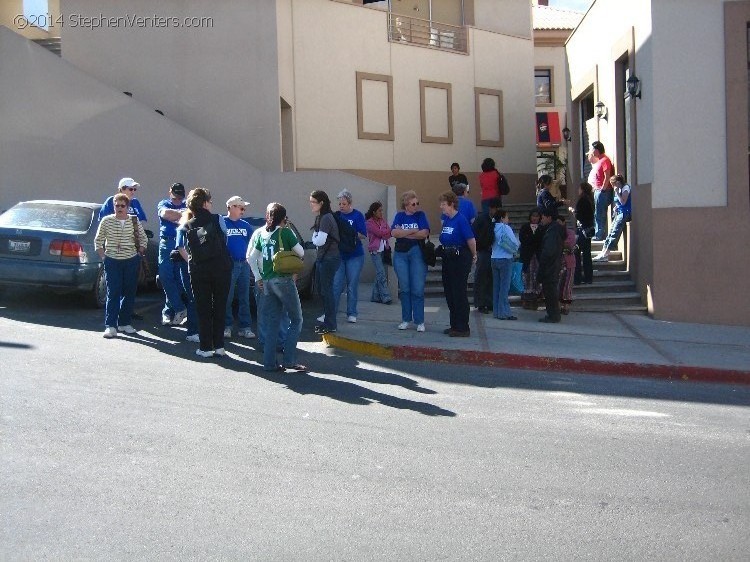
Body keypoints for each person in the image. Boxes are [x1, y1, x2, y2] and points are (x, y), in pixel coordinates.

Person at [248, 203, 306, 373]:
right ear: (284, 218)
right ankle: (289, 360)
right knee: (296, 320)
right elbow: (301, 252)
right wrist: (289, 230)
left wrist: (258, 277)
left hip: (266, 282)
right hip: (283, 280)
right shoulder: (286, 232)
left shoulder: (261, 234)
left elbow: (251, 258)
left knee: (272, 322)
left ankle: (269, 363)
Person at [181, 187, 232, 358]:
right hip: (221, 267)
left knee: (203, 308)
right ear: (204, 203)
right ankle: (219, 346)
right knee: (220, 306)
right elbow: (225, 238)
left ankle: (205, 347)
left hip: (199, 269)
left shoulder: (188, 224)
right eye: (209, 201)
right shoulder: (218, 219)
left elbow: (187, 247)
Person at [94, 192, 148, 338]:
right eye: (116, 205)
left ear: (127, 207)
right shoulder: (106, 220)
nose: (119, 208)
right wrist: (104, 256)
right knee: (113, 292)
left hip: (131, 260)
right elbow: (98, 241)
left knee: (129, 292)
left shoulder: (134, 221)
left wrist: (139, 253)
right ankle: (110, 325)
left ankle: (124, 323)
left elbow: (143, 239)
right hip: (112, 260)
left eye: (122, 206)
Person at [438, 190, 477, 337]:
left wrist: (474, 255)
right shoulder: (447, 219)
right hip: (448, 258)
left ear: (451, 204)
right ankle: (454, 324)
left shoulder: (461, 219)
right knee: (449, 292)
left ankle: (463, 327)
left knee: (459, 292)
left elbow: (471, 240)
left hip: (460, 258)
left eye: (443, 204)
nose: (441, 207)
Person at [391, 190, 430, 332]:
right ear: (406, 205)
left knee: (418, 288)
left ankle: (419, 321)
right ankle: (406, 319)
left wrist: (404, 233)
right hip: (401, 254)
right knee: (405, 288)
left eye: (417, 203)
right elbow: (394, 233)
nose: (416, 206)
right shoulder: (399, 216)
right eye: (413, 204)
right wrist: (413, 232)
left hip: (417, 253)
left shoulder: (421, 215)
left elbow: (424, 233)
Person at [332, 189, 367, 323]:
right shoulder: (336, 216)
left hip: (355, 255)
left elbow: (363, 234)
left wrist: (349, 234)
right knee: (336, 284)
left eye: (344, 204)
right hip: (340, 254)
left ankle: (352, 312)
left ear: (350, 203)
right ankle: (331, 313)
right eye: (340, 203)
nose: (341, 206)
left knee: (352, 285)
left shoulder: (357, 216)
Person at [223, 195, 255, 340]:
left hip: (244, 264)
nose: (243, 210)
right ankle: (226, 326)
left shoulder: (246, 226)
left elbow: (252, 245)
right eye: (241, 207)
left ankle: (245, 327)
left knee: (244, 297)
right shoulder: (222, 223)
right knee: (227, 297)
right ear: (231, 207)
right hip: (228, 264)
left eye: (244, 208)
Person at [156, 182, 188, 326]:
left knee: (179, 279)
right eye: (175, 197)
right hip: (167, 242)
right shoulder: (164, 203)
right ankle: (180, 308)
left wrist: (177, 215)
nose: (177, 200)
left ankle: (168, 312)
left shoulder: (187, 203)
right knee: (165, 276)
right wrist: (183, 214)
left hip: (183, 243)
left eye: (180, 197)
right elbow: (165, 214)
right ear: (170, 192)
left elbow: (189, 218)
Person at [309, 190, 341, 335]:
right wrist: (315, 238)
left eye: (313, 202)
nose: (311, 205)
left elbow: (319, 241)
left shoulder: (326, 218)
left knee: (327, 292)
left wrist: (314, 239)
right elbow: (317, 238)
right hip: (325, 258)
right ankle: (328, 322)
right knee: (323, 291)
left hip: (329, 259)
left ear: (321, 203)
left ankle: (331, 324)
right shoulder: (322, 217)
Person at [471, 197, 502, 314]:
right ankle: (481, 303)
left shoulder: (497, 220)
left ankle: (490, 302)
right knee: (481, 277)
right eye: (495, 209)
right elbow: (473, 234)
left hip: (494, 252)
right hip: (483, 251)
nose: (497, 211)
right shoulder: (482, 219)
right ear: (490, 208)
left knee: (492, 277)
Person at [594, 174, 632, 262]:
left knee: (614, 233)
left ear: (618, 183)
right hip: (619, 213)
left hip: (624, 213)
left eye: (613, 184)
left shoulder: (625, 188)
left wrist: (617, 193)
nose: (612, 186)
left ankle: (606, 254)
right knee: (610, 233)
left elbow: (623, 202)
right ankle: (603, 252)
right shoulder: (619, 188)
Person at [537, 208, 566, 323]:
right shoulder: (553, 230)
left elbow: (548, 252)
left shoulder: (553, 231)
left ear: (549, 217)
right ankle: (553, 314)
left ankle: (553, 315)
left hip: (550, 266)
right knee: (551, 291)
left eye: (543, 217)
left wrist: (542, 265)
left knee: (550, 292)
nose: (541, 219)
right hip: (553, 265)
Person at [174, 220, 201, 344]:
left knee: (199, 299)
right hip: (187, 268)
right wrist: (192, 262)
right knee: (193, 299)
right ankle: (192, 332)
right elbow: (181, 248)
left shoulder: (200, 228)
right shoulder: (182, 229)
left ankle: (198, 329)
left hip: (200, 267)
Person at [491, 209, 519, 320]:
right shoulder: (505, 228)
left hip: (494, 258)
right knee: (504, 287)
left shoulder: (492, 227)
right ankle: (504, 312)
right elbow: (514, 243)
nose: (508, 219)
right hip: (506, 259)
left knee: (496, 286)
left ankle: (497, 311)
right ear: (502, 218)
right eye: (507, 217)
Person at [365, 201, 392, 305]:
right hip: (375, 251)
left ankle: (375, 296)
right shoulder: (369, 223)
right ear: (374, 212)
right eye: (379, 210)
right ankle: (385, 296)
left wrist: (385, 233)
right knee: (381, 274)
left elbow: (389, 232)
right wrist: (385, 233)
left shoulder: (382, 221)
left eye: (382, 210)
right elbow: (380, 233)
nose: (381, 212)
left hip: (384, 250)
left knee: (379, 274)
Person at [589, 141, 614, 240]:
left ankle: (599, 235)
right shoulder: (599, 160)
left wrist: (603, 189)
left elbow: (607, 175)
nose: (592, 151)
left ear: (597, 150)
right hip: (598, 190)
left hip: (603, 191)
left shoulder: (605, 160)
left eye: (592, 149)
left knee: (600, 214)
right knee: (597, 213)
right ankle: (598, 233)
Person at [519, 209, 543, 309]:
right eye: (533, 216)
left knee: (536, 277)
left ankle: (535, 300)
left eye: (537, 216)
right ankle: (526, 300)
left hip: (537, 257)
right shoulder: (525, 227)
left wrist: (532, 239)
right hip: (527, 256)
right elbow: (523, 239)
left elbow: (541, 241)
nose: (535, 218)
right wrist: (533, 240)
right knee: (526, 277)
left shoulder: (542, 228)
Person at [571, 182, 595, 285]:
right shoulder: (590, 200)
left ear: (582, 189)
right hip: (588, 230)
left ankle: (577, 278)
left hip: (582, 230)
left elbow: (579, 215)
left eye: (579, 188)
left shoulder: (582, 200)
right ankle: (588, 277)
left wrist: (572, 211)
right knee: (587, 254)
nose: (578, 190)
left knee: (576, 253)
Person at [558, 215, 577, 315]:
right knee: (559, 285)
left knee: (567, 285)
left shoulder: (570, 233)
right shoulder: (555, 233)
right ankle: (559, 305)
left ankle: (566, 306)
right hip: (558, 264)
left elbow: (569, 244)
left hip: (569, 262)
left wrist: (559, 244)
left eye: (559, 222)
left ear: (564, 222)